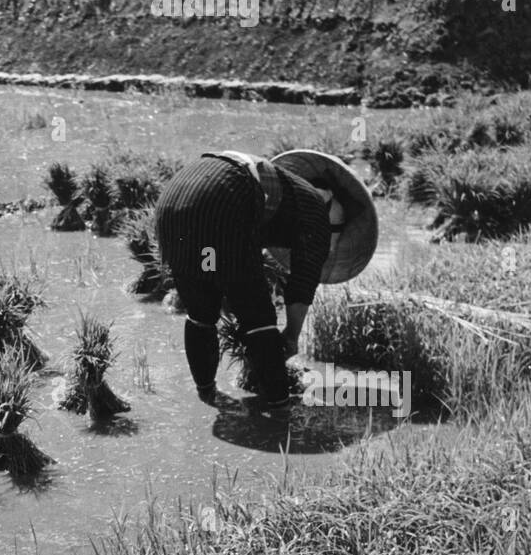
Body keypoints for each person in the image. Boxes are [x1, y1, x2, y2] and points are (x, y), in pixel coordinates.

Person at [154, 149, 378, 408]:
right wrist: (291, 336)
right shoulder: (317, 211)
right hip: (220, 199)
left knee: (202, 310)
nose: (330, 243)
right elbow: (303, 282)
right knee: (258, 317)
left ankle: (206, 397)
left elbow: (221, 253)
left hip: (173, 200)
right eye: (336, 235)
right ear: (333, 205)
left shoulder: (290, 191)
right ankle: (280, 412)